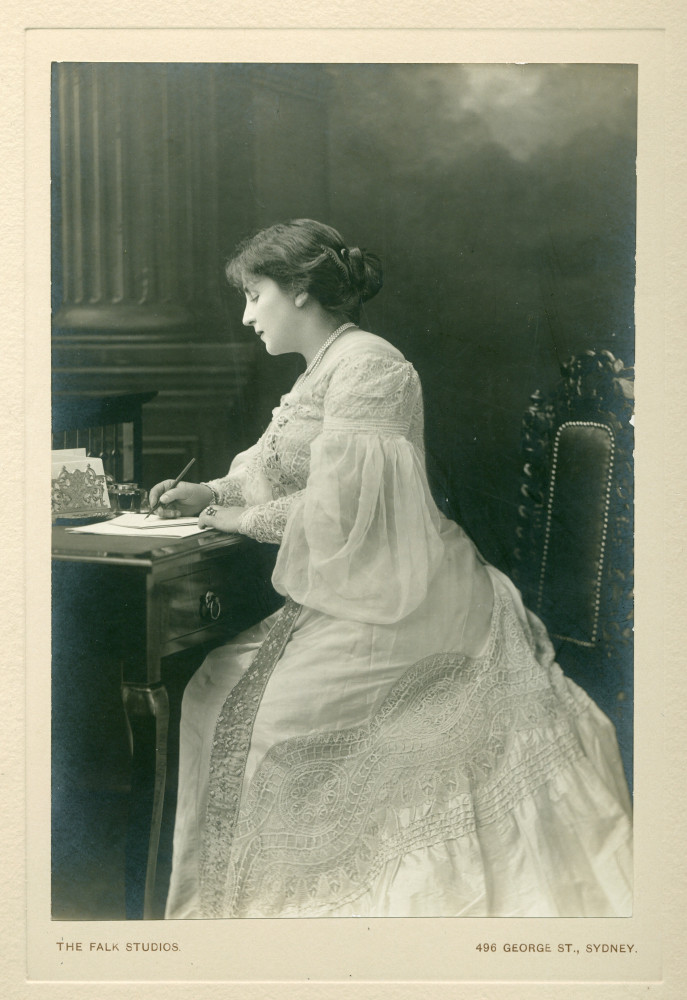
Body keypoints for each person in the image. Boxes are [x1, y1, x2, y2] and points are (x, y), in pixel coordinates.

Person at [151, 218, 632, 919]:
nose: (246, 314)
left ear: (301, 291)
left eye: (256, 295)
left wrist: (241, 520)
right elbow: (271, 458)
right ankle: (233, 907)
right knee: (214, 687)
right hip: (362, 583)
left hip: (416, 594)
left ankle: (309, 911)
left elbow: (342, 510)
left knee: (276, 718)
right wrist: (213, 493)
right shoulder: (323, 370)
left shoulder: (370, 367)